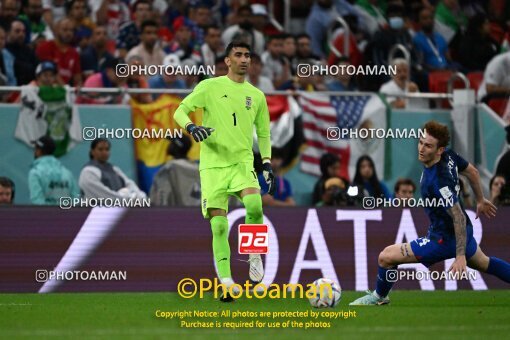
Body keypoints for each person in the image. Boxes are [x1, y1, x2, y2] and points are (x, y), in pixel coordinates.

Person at [350, 121, 508, 306]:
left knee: (386, 257)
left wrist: (460, 256)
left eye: (428, 145)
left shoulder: (438, 181)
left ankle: (379, 297)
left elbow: (456, 215)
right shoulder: (449, 156)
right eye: (421, 142)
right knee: (485, 263)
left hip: (445, 240)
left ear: (439, 150)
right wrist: (480, 200)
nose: (422, 148)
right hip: (463, 231)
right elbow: (472, 171)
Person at [173, 41, 275, 302]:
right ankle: (227, 282)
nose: (243, 59)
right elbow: (180, 111)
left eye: (247, 55)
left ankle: (254, 256)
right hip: (213, 166)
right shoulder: (209, 86)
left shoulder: (257, 96)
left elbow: (263, 133)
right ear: (227, 61)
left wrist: (266, 162)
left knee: (254, 205)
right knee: (219, 226)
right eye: (238, 55)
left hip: (242, 163)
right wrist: (192, 128)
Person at [79, 138, 146, 200]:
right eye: (100, 149)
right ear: (92, 151)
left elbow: (129, 183)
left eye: (107, 149)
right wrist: (126, 199)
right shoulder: (88, 171)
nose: (104, 152)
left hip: (120, 208)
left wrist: (138, 195)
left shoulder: (114, 169)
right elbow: (103, 194)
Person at [149, 135, 200, 206]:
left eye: (171, 143)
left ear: (176, 146)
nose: (168, 145)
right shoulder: (197, 168)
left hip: (174, 215)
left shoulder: (169, 169)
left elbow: (162, 198)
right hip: (197, 214)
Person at [28, 136, 80, 205]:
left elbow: (37, 203)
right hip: (67, 215)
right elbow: (75, 200)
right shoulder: (67, 173)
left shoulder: (35, 173)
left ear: (39, 151)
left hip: (46, 215)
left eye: (36, 149)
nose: (34, 151)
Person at [35, 17, 82, 85]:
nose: (69, 33)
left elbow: (77, 78)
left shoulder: (74, 53)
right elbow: (49, 73)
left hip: (65, 90)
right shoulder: (45, 47)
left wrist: (79, 87)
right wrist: (65, 90)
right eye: (65, 30)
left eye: (71, 30)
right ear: (56, 30)